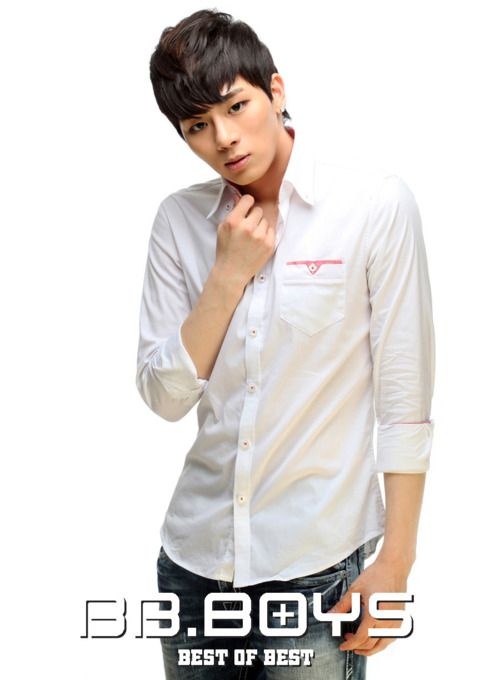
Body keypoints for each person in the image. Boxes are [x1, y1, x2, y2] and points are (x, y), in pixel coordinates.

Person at [136, 9, 435, 680]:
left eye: (236, 106)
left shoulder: (374, 206)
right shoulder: (179, 221)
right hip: (192, 564)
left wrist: (397, 559)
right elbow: (163, 397)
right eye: (196, 126)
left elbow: (404, 399)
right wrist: (226, 277)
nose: (224, 138)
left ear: (275, 89)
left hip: (314, 568)